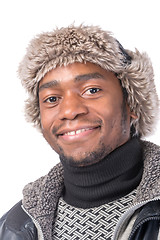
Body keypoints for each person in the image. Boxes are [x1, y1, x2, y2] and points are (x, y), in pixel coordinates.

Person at [0, 24, 160, 240]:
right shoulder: (13, 227)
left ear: (132, 103)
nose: (69, 111)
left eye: (92, 90)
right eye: (52, 99)